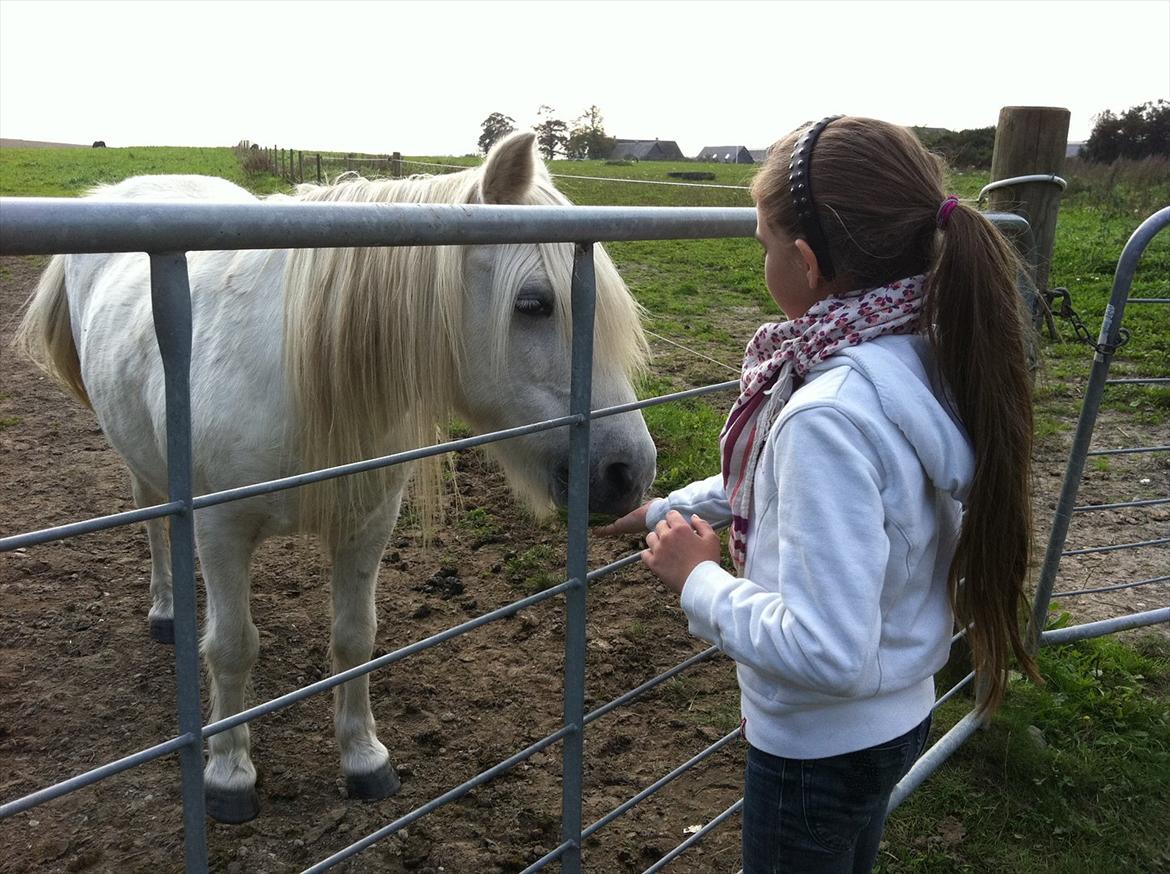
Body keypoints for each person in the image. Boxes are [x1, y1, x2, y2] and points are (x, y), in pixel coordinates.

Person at [596, 115, 1040, 873]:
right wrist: (675, 506)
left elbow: (825, 649)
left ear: (803, 261)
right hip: (893, 714)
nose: (763, 260)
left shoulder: (827, 415)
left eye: (764, 246)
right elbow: (817, 492)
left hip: (815, 752)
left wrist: (698, 579)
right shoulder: (913, 355)